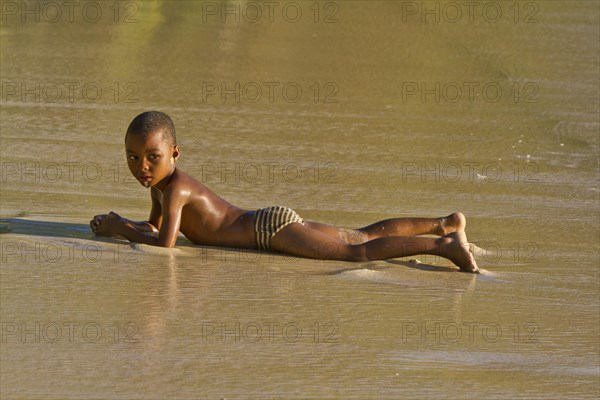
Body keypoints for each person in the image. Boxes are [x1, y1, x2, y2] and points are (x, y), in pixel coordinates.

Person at [90, 111, 479, 273]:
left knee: (354, 253)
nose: (141, 166)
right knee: (360, 235)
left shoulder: (175, 189)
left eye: (151, 157)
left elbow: (166, 243)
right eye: (133, 157)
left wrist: (117, 228)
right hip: (268, 221)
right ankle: (445, 222)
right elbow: (153, 227)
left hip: (267, 231)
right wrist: (123, 223)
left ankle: (443, 246)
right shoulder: (161, 187)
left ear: (173, 154)